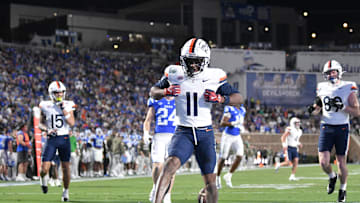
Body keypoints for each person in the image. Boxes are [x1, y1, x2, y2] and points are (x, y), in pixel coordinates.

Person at [150, 38, 243, 203]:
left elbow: (238, 97)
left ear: (205, 61)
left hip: (204, 133)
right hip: (183, 131)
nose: (193, 65)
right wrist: (166, 91)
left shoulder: (215, 76)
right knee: (169, 166)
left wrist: (220, 98)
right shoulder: (173, 73)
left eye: (197, 61)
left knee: (210, 182)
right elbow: (153, 91)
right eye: (189, 61)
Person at [308, 60, 360, 202]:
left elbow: (357, 111)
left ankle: (343, 189)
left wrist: (343, 106)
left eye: (333, 72)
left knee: (341, 161)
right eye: (328, 73)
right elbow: (318, 107)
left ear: (339, 72)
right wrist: (313, 110)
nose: (331, 75)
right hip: (326, 126)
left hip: (342, 127)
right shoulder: (322, 87)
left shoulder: (348, 86)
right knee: (323, 162)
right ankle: (332, 177)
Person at [38, 81, 76, 202]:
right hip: (52, 138)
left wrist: (64, 110)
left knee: (65, 167)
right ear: (51, 93)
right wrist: (46, 129)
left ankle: (65, 192)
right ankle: (43, 179)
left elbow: (72, 123)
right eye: (56, 92)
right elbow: (39, 123)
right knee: (44, 169)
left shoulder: (68, 104)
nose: (59, 94)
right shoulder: (44, 105)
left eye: (61, 92)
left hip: (64, 138)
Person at [143, 94, 176, 203]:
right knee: (158, 165)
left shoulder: (180, 101)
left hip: (174, 136)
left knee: (171, 167)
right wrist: (146, 133)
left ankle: (167, 194)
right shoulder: (156, 100)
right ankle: (156, 187)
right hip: (159, 136)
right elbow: (148, 120)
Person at [216, 104, 246, 189]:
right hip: (228, 136)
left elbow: (240, 122)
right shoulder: (229, 108)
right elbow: (222, 123)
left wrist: (241, 127)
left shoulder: (242, 109)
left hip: (237, 136)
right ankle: (217, 178)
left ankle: (228, 175)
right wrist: (232, 123)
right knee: (223, 158)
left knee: (240, 156)